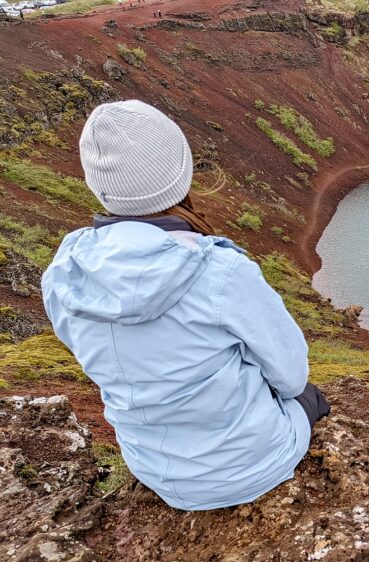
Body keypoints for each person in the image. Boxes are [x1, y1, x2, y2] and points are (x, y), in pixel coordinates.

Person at [42, 100, 330, 511]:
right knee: (309, 396)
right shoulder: (221, 271)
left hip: (151, 467)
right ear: (180, 175)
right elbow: (290, 376)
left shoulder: (66, 270)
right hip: (250, 468)